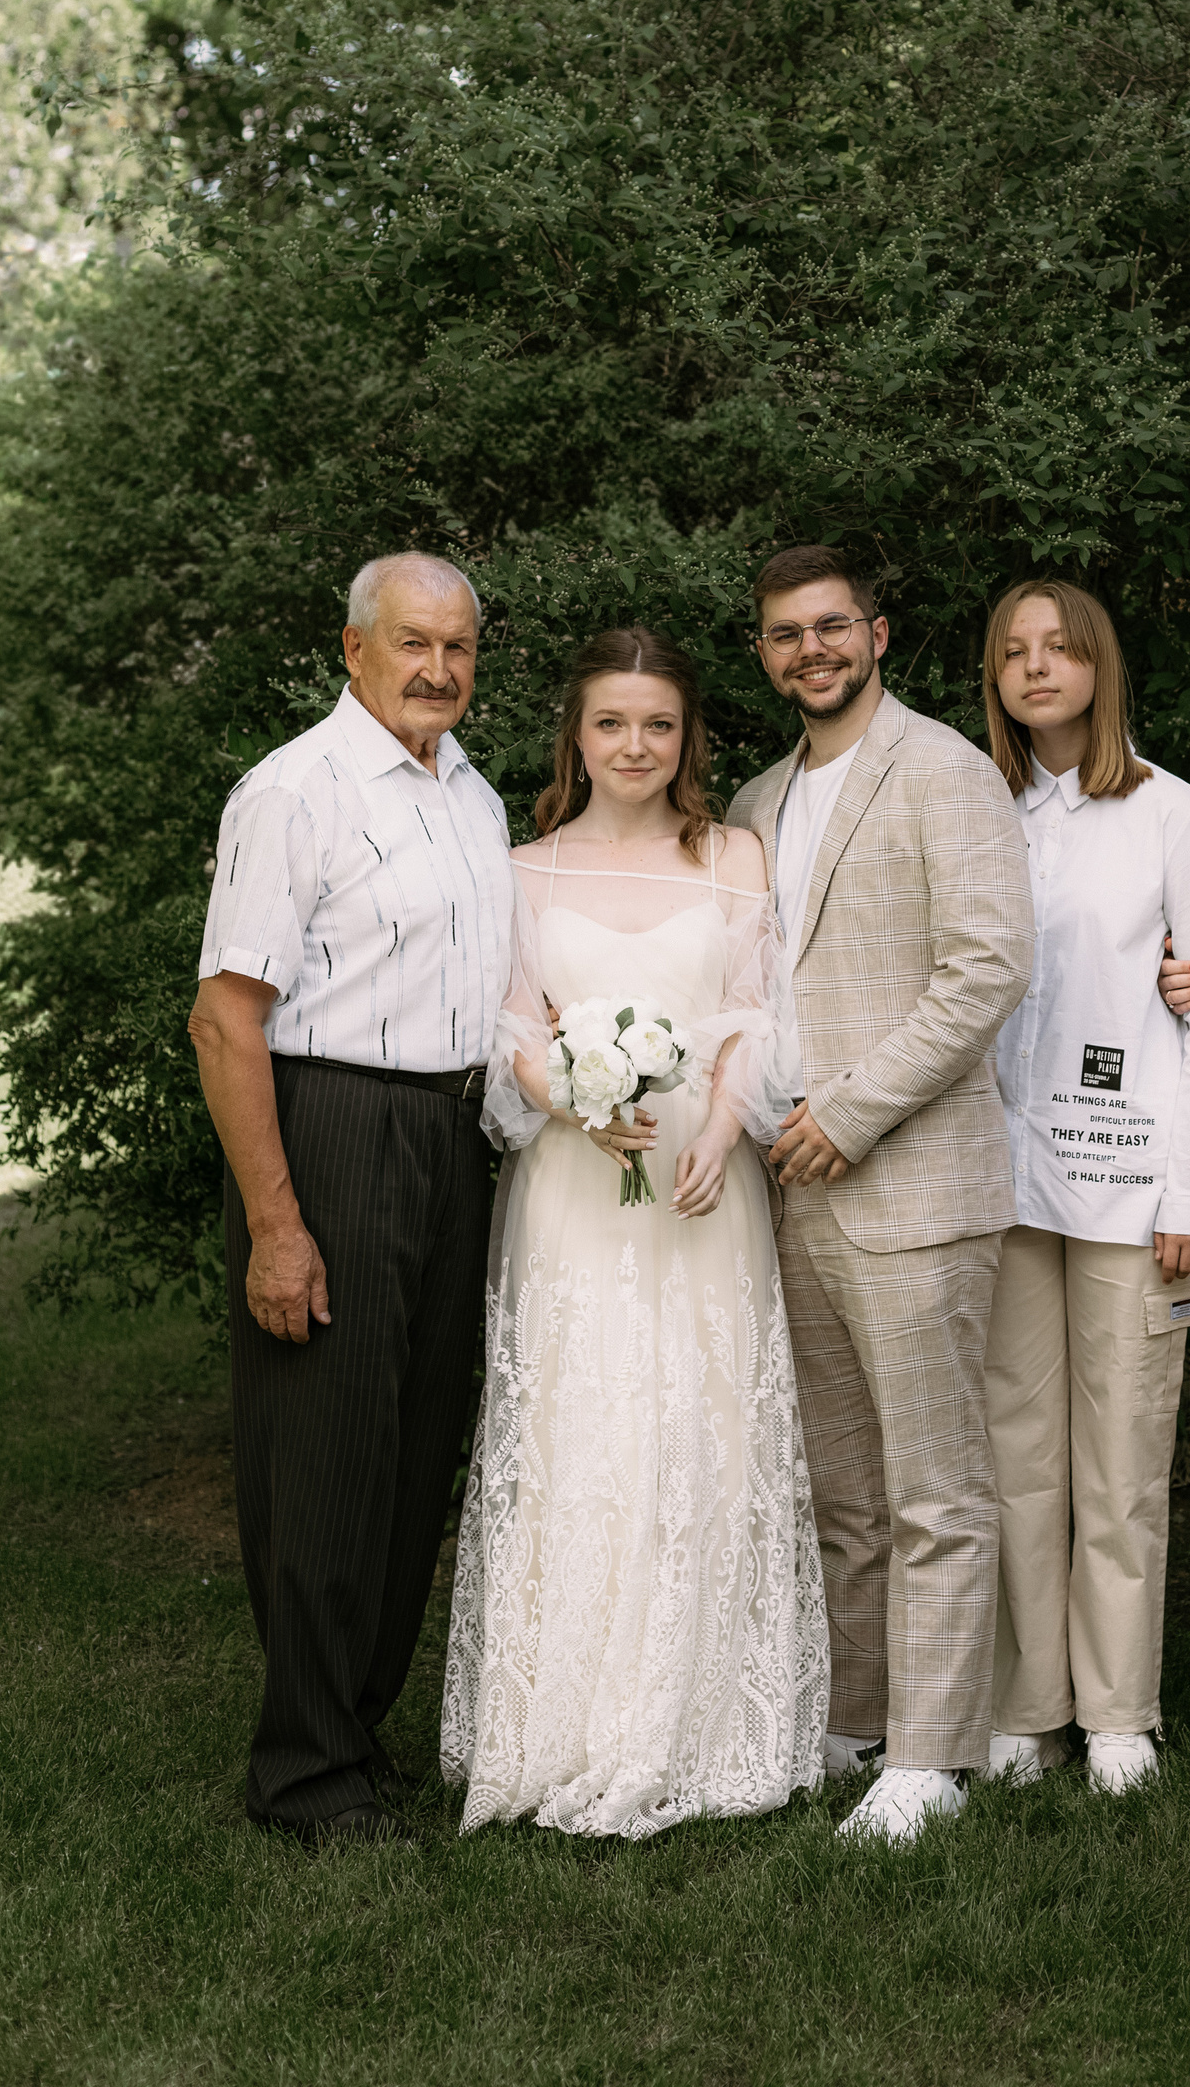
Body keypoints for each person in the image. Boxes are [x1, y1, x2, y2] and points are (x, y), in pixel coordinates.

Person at [441, 627, 829, 1836]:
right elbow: (510, 1023)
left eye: (658, 724)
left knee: (699, 1420)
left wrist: (727, 1128)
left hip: (702, 1188)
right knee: (579, 1423)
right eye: (611, 723)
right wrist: (572, 1100)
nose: (634, 745)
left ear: (687, 738)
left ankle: (700, 1714)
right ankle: (561, 1722)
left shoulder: (733, 858)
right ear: (577, 735)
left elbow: (758, 1014)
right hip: (573, 1185)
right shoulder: (523, 868)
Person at [190, 552, 514, 1844]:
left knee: (416, 1450)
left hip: (450, 1135)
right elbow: (225, 1019)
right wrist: (278, 1225)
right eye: (412, 643)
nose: (437, 668)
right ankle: (304, 1770)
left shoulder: (473, 795)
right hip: (329, 1125)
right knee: (325, 1455)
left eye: (458, 646)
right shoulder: (295, 792)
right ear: (354, 648)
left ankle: (355, 1731)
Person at [728, 545, 1034, 1845]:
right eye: (786, 634)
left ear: (878, 634)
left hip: (911, 1183)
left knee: (934, 1491)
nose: (813, 649)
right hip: (789, 1186)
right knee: (841, 1492)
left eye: (832, 626)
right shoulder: (754, 802)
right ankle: (855, 1719)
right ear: (765, 655)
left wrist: (850, 1115)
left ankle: (931, 1757)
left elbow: (988, 967)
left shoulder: (946, 772)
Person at [979, 579, 1190, 1795]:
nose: (1038, 668)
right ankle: (1028, 1707)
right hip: (1002, 1185)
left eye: (1060, 648)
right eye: (1014, 651)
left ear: (1100, 665)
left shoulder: (1170, 812)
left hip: (1132, 1188)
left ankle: (1120, 1712)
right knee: (1017, 1451)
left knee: (1124, 1453)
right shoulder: (980, 811)